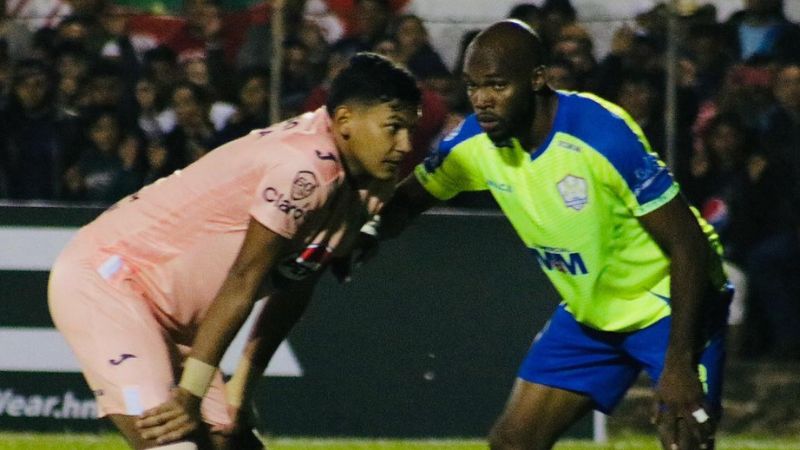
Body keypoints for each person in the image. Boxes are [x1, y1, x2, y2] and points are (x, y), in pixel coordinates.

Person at [366, 20, 730, 450]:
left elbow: (687, 242)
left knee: (685, 439)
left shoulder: (601, 135)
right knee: (513, 442)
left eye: (497, 85)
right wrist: (360, 235)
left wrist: (678, 364)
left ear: (537, 79)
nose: (482, 100)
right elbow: (407, 202)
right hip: (590, 313)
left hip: (666, 304)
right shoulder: (473, 143)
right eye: (473, 86)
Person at [48, 52, 421, 450]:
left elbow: (297, 282)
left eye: (410, 130)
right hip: (110, 283)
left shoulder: (369, 179)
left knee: (232, 442)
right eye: (394, 128)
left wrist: (242, 386)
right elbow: (244, 277)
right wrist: (189, 397)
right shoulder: (305, 168)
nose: (405, 145)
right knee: (172, 443)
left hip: (181, 322)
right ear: (344, 121)